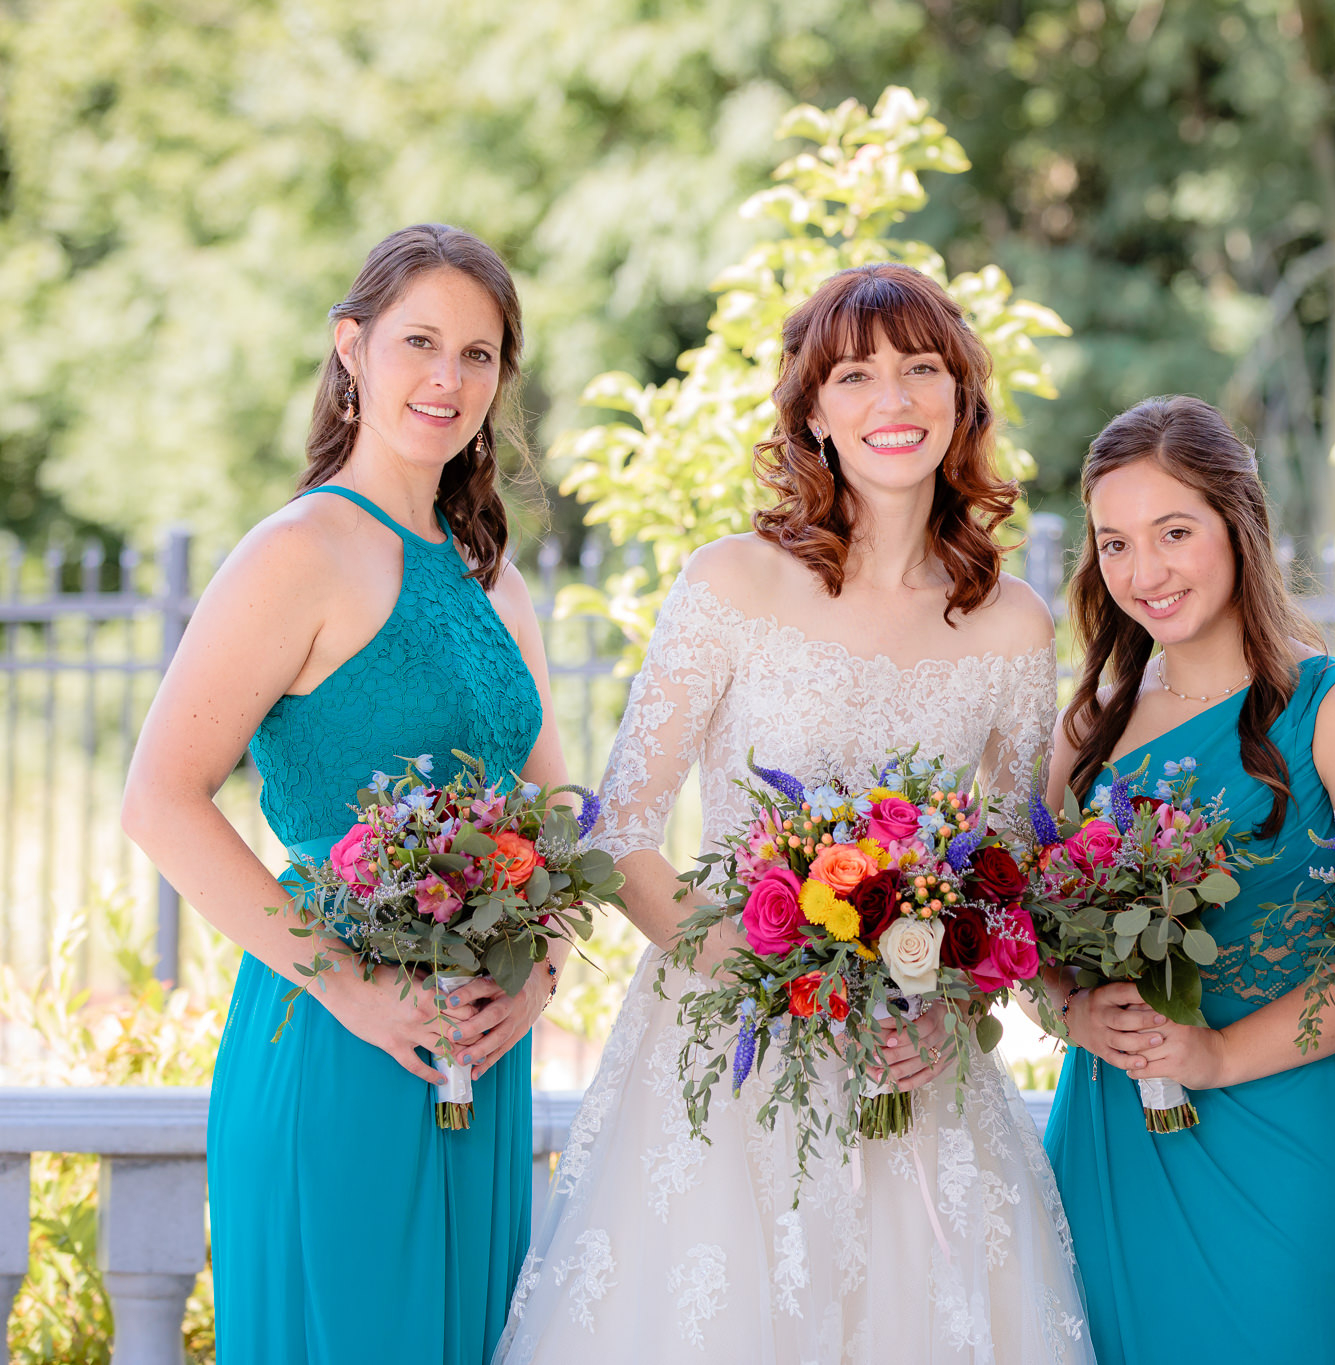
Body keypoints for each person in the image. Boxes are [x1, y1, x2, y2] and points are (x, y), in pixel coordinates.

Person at [495, 262, 1092, 1363]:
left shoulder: (1010, 622)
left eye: (922, 370)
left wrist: (949, 1008)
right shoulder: (733, 583)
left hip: (918, 1074)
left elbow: (1009, 885)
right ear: (812, 412)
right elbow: (620, 828)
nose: (893, 402)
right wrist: (774, 980)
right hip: (734, 1053)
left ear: (961, 396)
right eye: (855, 375)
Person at [122, 224, 569, 1364]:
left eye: (479, 355)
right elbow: (160, 800)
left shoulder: (495, 578)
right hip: (333, 1038)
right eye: (419, 341)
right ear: (351, 347)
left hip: (481, 1053)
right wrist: (358, 988)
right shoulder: (298, 550)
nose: (447, 378)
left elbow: (557, 821)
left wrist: (543, 979)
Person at [1039, 396, 1335, 1365]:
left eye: (1173, 532)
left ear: (1237, 525)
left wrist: (1214, 1058)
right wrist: (1072, 1017)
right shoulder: (1087, 735)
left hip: (1288, 1142)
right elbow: (1024, 937)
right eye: (1114, 544)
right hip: (1111, 1138)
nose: (1144, 571)